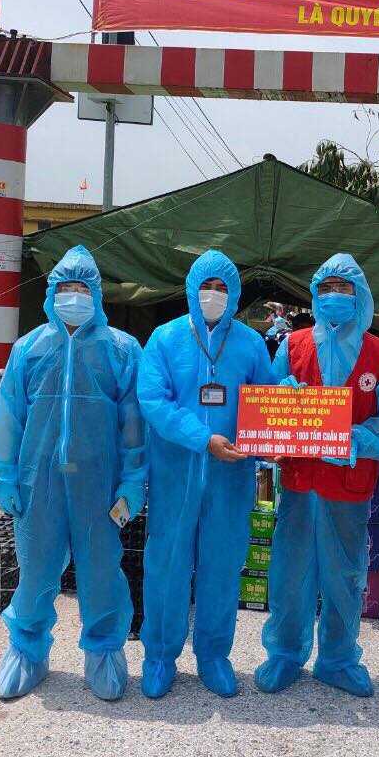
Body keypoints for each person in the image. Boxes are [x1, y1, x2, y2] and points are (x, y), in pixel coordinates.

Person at [0, 245, 147, 702]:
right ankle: (27, 650)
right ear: (51, 294)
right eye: (64, 288)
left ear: (96, 294)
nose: (73, 296)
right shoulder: (29, 347)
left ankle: (104, 651)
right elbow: (9, 416)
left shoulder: (121, 349)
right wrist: (4, 474)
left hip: (99, 483)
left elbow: (134, 423)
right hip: (39, 481)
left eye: (81, 288)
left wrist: (133, 480)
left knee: (101, 571)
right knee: (35, 568)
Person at [255, 253, 379, 697]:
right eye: (325, 288)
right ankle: (285, 653)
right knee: (290, 572)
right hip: (300, 480)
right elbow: (266, 405)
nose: (334, 296)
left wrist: (353, 438)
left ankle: (338, 659)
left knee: (344, 575)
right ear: (313, 294)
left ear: (360, 295)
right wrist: (282, 401)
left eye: (344, 288)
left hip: (348, 483)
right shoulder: (293, 345)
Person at [137, 250, 276, 698]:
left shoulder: (250, 343)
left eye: (221, 288)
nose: (213, 295)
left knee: (222, 567)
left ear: (234, 294)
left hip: (230, 478)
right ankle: (160, 656)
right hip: (175, 474)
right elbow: (153, 401)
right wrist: (202, 438)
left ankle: (214, 655)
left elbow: (267, 399)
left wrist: (288, 417)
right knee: (167, 566)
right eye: (206, 286)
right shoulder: (165, 338)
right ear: (191, 290)